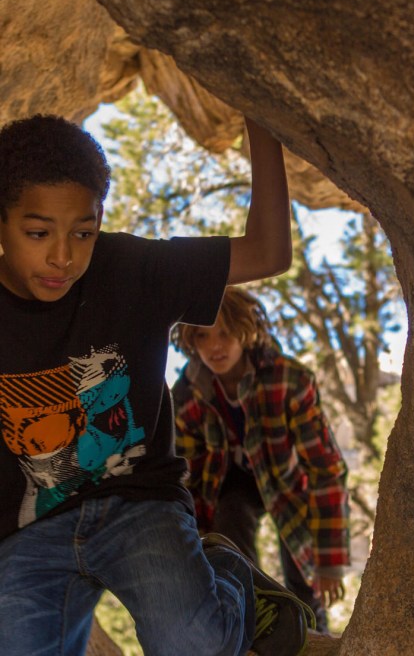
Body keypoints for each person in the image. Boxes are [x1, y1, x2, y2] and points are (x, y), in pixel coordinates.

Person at [0, 113, 312, 656]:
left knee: (192, 643)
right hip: (29, 530)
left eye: (83, 232)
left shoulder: (131, 268)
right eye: (37, 232)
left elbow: (267, 253)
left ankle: (229, 578)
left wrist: (263, 123)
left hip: (138, 504)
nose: (63, 256)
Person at [171, 286, 350, 633]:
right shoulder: (188, 396)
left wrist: (329, 562)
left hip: (287, 482)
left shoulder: (289, 380)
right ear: (192, 342)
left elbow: (325, 469)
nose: (215, 347)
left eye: (225, 333)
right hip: (229, 486)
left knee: (304, 580)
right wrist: (198, 547)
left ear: (245, 330)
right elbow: (188, 478)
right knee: (230, 533)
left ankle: (315, 636)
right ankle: (254, 627)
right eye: (204, 337)